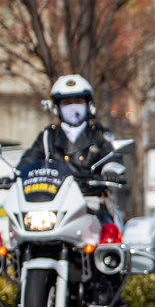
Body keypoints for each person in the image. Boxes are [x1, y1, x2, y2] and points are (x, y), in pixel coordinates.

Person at [18, 74, 125, 220]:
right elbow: (29, 160)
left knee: (108, 235)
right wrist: (14, 175)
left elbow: (112, 156)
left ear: (88, 104)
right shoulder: (48, 136)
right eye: (67, 102)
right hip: (53, 203)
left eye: (78, 101)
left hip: (91, 200)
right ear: (56, 107)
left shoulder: (99, 134)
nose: (73, 106)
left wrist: (110, 170)